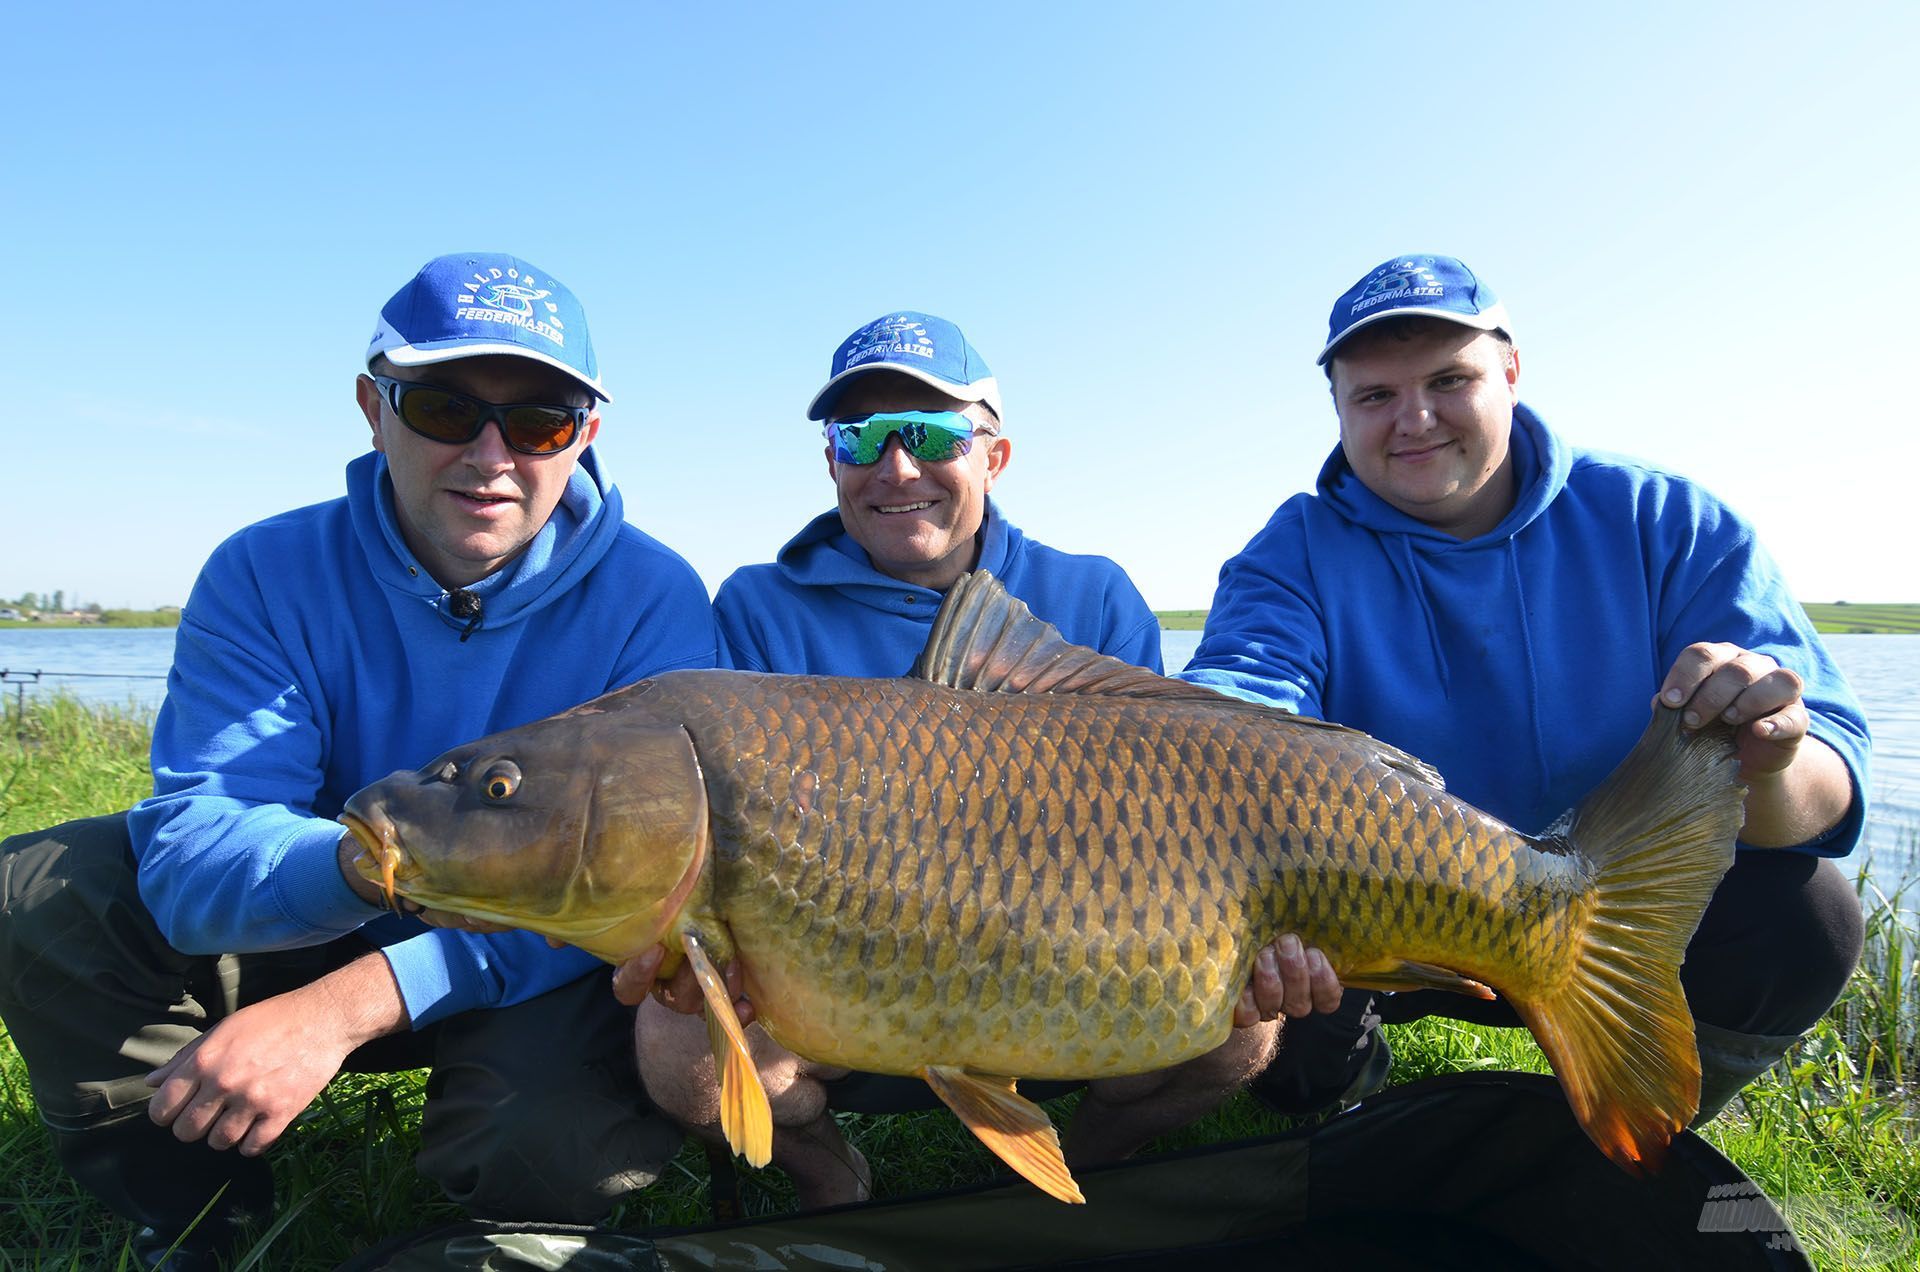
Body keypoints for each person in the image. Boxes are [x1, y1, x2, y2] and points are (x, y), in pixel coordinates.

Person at [0, 252, 717, 1268]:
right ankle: (191, 1211)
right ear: (372, 407)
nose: (491, 453)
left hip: (535, 950)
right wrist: (363, 872)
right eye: (442, 408)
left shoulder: (655, 601)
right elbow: (195, 846)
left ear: (586, 436)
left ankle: (502, 1234)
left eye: (539, 421)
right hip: (311, 904)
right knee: (41, 894)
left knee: (545, 1146)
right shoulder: (264, 571)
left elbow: (645, 892)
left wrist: (349, 1007)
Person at [622, 310, 1340, 1208]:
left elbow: (1175, 818)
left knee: (1244, 1024)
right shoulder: (760, 607)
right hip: (839, 982)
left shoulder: (1093, 594)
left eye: (929, 434)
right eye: (863, 437)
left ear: (993, 457)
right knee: (672, 1036)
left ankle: (1090, 1158)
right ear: (832, 462)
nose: (897, 467)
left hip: (1068, 973)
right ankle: (830, 1178)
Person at [1181, 253, 1871, 1121]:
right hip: (1383, 921)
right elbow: (1242, 702)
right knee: (1271, 1000)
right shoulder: (1293, 551)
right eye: (1375, 396)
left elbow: (1835, 778)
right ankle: (1343, 1090)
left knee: (1807, 917)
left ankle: (1641, 1102)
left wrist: (1771, 760)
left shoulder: (1664, 519)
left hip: (1610, 901)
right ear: (1338, 409)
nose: (1415, 419)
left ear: (1511, 371)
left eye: (1449, 380)